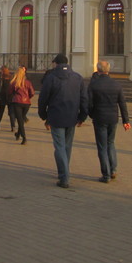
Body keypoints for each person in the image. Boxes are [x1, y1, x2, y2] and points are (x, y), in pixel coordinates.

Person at [38, 54, 89, 188]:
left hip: (56, 116)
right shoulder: (77, 78)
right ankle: (64, 171)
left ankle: (64, 176)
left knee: (59, 147)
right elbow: (84, 99)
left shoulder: (51, 78)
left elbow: (43, 99)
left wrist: (43, 116)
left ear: (56, 64)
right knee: (67, 146)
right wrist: (82, 116)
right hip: (72, 117)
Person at [87, 60, 131, 183]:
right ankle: (113, 170)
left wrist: (91, 115)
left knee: (102, 147)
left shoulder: (94, 85)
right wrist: (125, 120)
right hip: (113, 118)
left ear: (98, 70)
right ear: (108, 70)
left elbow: (89, 103)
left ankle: (105, 175)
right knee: (110, 143)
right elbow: (122, 103)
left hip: (99, 118)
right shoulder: (116, 84)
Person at [9, 65, 34, 144]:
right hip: (27, 103)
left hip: (17, 103)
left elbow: (10, 92)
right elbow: (32, 93)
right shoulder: (28, 82)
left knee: (20, 120)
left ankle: (24, 138)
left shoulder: (14, 82)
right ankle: (18, 134)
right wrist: (27, 97)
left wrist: (15, 96)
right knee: (22, 119)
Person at [0, 66, 15, 131]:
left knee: (1, 111)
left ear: (2, 71)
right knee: (11, 112)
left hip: (3, 97)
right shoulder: (11, 78)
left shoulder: (2, 78)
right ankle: (12, 126)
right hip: (10, 97)